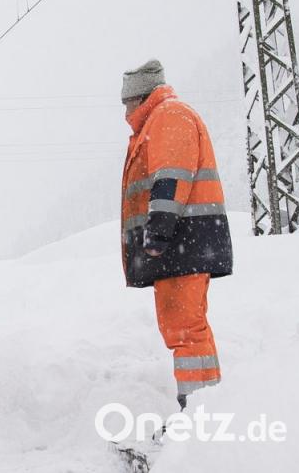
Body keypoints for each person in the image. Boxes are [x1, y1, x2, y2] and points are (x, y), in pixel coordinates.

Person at [119, 60, 233, 409]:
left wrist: (158, 230)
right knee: (185, 328)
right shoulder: (161, 119)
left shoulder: (169, 116)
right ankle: (203, 407)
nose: (125, 112)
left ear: (141, 97)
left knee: (186, 330)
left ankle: (199, 411)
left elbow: (171, 177)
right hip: (184, 244)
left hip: (184, 241)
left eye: (127, 103)